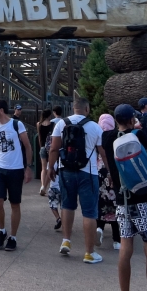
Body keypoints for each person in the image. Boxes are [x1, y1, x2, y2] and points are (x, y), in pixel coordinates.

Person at [105, 104, 147, 291]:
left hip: (123, 200)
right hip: (145, 199)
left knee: (125, 247)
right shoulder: (139, 135)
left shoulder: (108, 138)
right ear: (132, 119)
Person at [48, 95, 108, 264]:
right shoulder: (95, 127)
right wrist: (110, 172)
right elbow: (103, 153)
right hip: (88, 172)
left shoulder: (61, 124)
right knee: (89, 212)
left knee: (67, 206)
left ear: (73, 108)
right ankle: (89, 253)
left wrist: (51, 168)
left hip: (65, 171)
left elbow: (53, 149)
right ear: (87, 109)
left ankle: (66, 241)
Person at [0, 98, 34, 251]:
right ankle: (2, 231)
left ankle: (13, 237)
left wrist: (28, 167)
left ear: (0, 110)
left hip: (16, 169)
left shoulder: (16, 124)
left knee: (14, 203)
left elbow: (27, 146)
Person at [96, 113, 120, 250]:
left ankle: (99, 229)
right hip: (114, 172)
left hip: (99, 171)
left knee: (101, 203)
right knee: (115, 204)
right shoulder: (116, 136)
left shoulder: (98, 136)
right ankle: (116, 240)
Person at [38, 109, 54, 196]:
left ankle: (42, 186)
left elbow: (40, 137)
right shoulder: (52, 124)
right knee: (50, 167)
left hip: (43, 147)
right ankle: (46, 186)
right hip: (50, 148)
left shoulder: (39, 124)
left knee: (43, 168)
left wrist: (41, 146)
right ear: (49, 115)